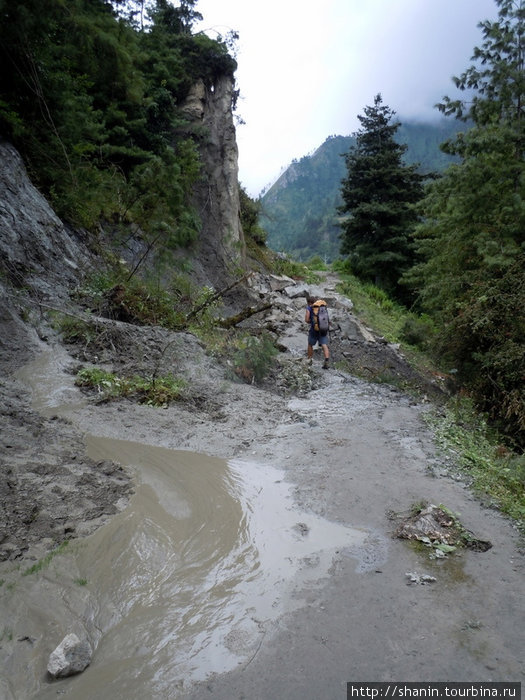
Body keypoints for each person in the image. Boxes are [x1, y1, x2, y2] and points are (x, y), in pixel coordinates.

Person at [305, 295, 330, 369]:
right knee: (324, 345)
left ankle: (309, 360)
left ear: (309, 302)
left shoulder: (309, 308)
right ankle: (326, 360)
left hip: (314, 330)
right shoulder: (322, 307)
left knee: (310, 344)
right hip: (323, 329)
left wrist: (313, 322)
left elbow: (306, 320)